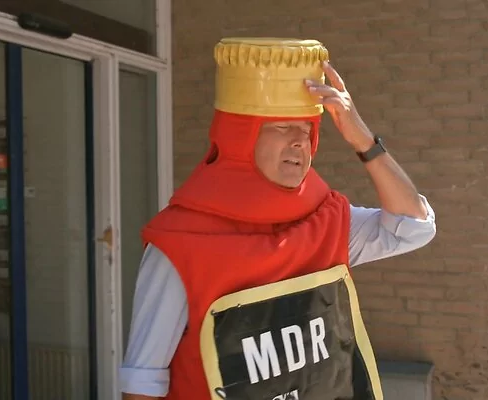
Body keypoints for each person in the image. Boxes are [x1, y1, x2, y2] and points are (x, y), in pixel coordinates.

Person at [120, 38, 436, 400]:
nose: (300, 141)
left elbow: (414, 227)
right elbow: (142, 382)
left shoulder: (327, 221)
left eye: (308, 129)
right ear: (240, 137)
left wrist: (363, 139)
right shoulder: (180, 245)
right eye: (283, 127)